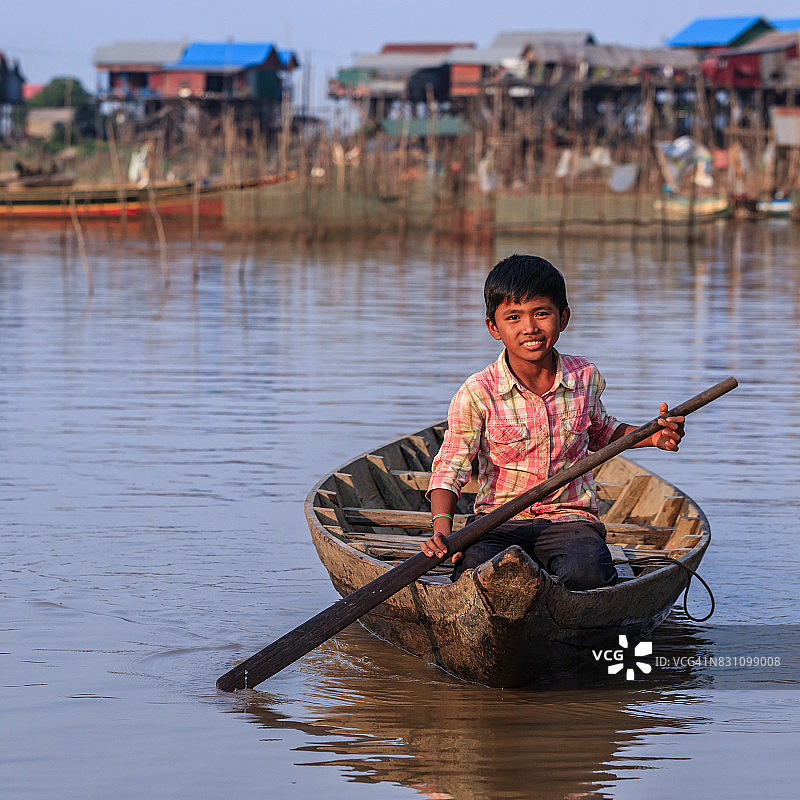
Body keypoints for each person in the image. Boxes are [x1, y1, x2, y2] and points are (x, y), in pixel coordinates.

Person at [420, 254, 685, 589]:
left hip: (569, 520)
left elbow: (601, 432)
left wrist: (653, 436)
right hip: (497, 521)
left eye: (541, 313)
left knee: (589, 573)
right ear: (493, 327)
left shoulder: (584, 376)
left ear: (563, 318)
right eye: (513, 317)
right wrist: (443, 531)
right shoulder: (477, 392)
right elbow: (451, 466)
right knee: (476, 575)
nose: (529, 327)